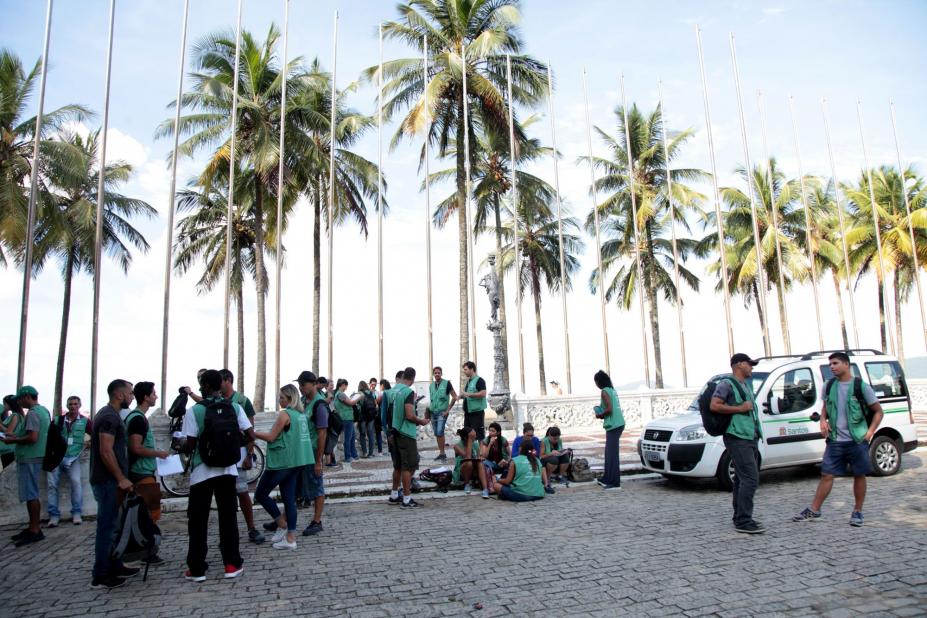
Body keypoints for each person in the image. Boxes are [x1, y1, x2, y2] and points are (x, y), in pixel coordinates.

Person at [793, 352, 883, 527]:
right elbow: (826, 406)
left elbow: (878, 411)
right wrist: (822, 420)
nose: (832, 367)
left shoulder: (861, 387)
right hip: (835, 441)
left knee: (859, 474)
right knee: (826, 474)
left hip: (857, 440)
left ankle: (857, 511)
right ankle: (814, 510)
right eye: (830, 364)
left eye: (835, 363)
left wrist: (870, 432)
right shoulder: (829, 385)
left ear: (846, 364)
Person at [182, 369, 253, 582]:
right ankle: (231, 563)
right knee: (228, 517)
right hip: (228, 470)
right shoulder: (234, 407)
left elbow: (191, 444)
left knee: (198, 521)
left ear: (203, 386)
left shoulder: (194, 411)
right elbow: (250, 434)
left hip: (202, 471)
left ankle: (196, 568)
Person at [88, 380, 139, 588]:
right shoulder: (109, 417)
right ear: (119, 395)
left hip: (109, 480)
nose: (132, 397)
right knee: (107, 527)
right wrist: (120, 478)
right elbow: (105, 450)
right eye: (130, 393)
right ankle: (101, 572)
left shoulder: (108, 414)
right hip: (108, 481)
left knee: (115, 526)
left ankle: (114, 563)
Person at [253, 385, 313, 550]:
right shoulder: (300, 415)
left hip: (282, 462)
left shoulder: (285, 414)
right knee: (289, 500)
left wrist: (253, 432)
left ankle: (281, 524)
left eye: (282, 398)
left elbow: (271, 437)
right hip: (297, 462)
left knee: (261, 494)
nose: (279, 401)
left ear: (290, 399)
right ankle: (290, 537)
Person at [710, 353, 764, 534]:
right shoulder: (726, 384)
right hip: (737, 437)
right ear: (739, 365)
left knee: (742, 478)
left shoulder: (745, 385)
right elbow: (715, 405)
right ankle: (743, 520)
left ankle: (740, 517)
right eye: (750, 364)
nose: (752, 368)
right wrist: (740, 408)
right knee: (751, 478)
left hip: (749, 436)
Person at [123, 382, 168, 566]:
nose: (155, 396)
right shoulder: (138, 419)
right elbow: (135, 447)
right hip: (141, 473)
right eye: (153, 394)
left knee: (149, 513)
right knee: (150, 513)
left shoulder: (140, 418)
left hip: (144, 471)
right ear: (145, 397)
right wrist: (158, 453)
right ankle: (147, 551)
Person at [219, 369, 263, 545]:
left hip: (239, 452)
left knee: (243, 492)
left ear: (228, 380)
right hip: (221, 455)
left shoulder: (242, 401)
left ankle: (251, 527)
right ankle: (228, 532)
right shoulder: (217, 401)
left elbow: (250, 429)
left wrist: (250, 454)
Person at [3, 385, 51, 548]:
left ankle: (35, 528)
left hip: (29, 457)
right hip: (35, 456)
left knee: (31, 494)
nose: (19, 402)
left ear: (26, 397)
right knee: (31, 493)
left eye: (20, 399)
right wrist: (15, 435)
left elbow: (32, 438)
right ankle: (32, 527)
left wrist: (13, 440)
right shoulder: (44, 411)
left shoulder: (33, 413)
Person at [45, 396, 89, 527]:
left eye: (75, 404)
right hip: (56, 458)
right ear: (67, 405)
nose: (73, 406)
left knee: (76, 483)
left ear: (79, 405)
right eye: (70, 404)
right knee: (52, 486)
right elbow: (50, 438)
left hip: (73, 457)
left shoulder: (85, 421)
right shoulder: (58, 420)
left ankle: (76, 512)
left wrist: (90, 442)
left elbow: (96, 434)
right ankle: (53, 515)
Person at [387, 367, 428, 508]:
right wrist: (421, 421)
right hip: (406, 433)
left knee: (397, 465)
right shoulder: (408, 392)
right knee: (408, 465)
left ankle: (394, 495)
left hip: (394, 431)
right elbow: (410, 415)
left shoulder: (393, 391)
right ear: (413, 378)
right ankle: (406, 498)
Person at [296, 371, 328, 536]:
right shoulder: (302, 401)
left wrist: (318, 461)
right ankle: (284, 519)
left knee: (316, 486)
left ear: (313, 384)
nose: (300, 388)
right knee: (297, 486)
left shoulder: (319, 404)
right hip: (302, 451)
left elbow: (322, 433)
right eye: (299, 385)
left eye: (303, 384)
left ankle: (317, 521)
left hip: (313, 451)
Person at [593, 371, 625, 490]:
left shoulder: (604, 391)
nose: (595, 384)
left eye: (595, 381)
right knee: (609, 453)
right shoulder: (612, 390)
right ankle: (607, 478)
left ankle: (614, 483)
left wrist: (600, 414)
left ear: (599, 381)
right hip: (618, 424)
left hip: (614, 425)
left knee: (612, 455)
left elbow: (610, 409)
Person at [427, 366, 458, 462]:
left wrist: (448, 410)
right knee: (437, 433)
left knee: (440, 431)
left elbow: (454, 396)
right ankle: (441, 453)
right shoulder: (431, 385)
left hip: (442, 412)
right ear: (433, 374)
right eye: (435, 373)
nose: (437, 374)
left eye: (438, 372)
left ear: (441, 373)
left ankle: (443, 453)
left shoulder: (447, 383)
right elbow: (432, 400)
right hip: (432, 412)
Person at [332, 379, 363, 463]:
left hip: (348, 418)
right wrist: (359, 397)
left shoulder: (338, 394)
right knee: (348, 438)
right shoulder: (340, 394)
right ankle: (348, 456)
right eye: (346, 386)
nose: (346, 388)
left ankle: (354, 455)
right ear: (343, 385)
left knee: (352, 437)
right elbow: (351, 402)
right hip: (346, 418)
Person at [478, 422, 510, 499]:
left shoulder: (503, 440)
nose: (490, 433)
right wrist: (490, 444)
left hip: (502, 462)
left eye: (493, 431)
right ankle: (486, 489)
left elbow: (509, 454)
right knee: (483, 464)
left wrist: (507, 461)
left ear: (498, 432)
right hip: (491, 462)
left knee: (511, 465)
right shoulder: (486, 440)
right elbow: (485, 456)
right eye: (490, 431)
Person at [460, 361, 488, 440]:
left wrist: (468, 394)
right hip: (468, 413)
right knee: (467, 434)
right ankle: (470, 451)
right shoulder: (469, 381)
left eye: (465, 370)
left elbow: (483, 393)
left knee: (478, 435)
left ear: (471, 369)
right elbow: (467, 395)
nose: (464, 372)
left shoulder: (479, 380)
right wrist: (461, 396)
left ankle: (480, 452)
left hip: (476, 413)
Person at [452, 427, 480, 494]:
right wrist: (470, 441)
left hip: (473, 470)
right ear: (466, 438)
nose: (475, 437)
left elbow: (478, 456)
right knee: (469, 463)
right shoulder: (457, 446)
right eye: (472, 436)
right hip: (462, 471)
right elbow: (467, 457)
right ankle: (467, 484)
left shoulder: (476, 444)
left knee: (481, 463)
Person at [0, 394, 24, 468]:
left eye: (5, 404)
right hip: (8, 450)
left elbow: (8, 432)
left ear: (10, 404)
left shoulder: (15, 416)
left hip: (10, 449)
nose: (4, 406)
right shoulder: (16, 415)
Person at [356, 381, 377, 458]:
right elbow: (375, 404)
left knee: (362, 434)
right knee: (371, 434)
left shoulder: (359, 394)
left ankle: (364, 452)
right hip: (371, 416)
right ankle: (371, 453)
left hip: (363, 417)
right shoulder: (371, 393)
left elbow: (358, 406)